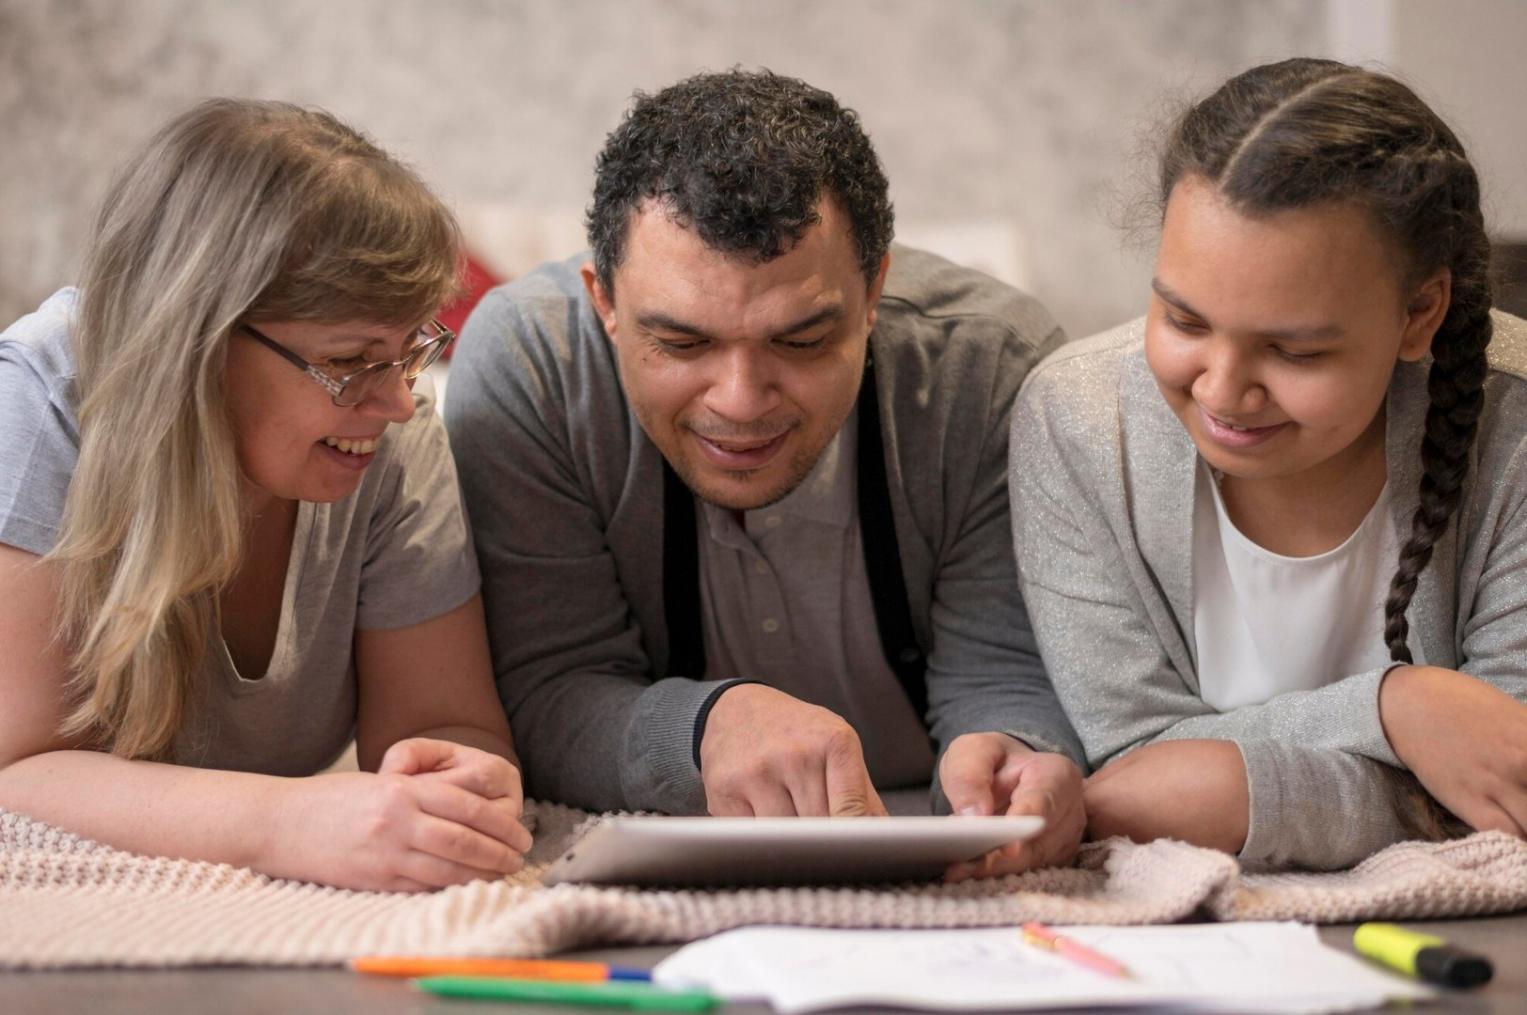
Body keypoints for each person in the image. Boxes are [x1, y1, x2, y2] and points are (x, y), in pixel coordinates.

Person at [446, 69, 1085, 876]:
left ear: (873, 292)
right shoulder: (531, 365)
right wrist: (703, 726)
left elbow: (1009, 668)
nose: (741, 402)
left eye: (802, 340)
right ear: (602, 299)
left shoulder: (992, 367)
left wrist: (1020, 753)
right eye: (680, 344)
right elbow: (542, 688)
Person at [1010, 57, 1527, 871]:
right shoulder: (1074, 420)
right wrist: (1398, 710)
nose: (1221, 390)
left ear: (1418, 312)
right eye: (1182, 318)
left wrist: (1237, 792)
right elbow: (1133, 753)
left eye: (1292, 349)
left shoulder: (1515, 427)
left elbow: (1508, 776)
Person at [0, 99, 531, 892]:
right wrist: (286, 821)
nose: (394, 403)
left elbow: (438, 723)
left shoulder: (389, 430)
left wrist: (460, 783)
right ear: (197, 341)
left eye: (410, 349)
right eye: (350, 359)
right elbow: (16, 770)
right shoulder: (40, 399)